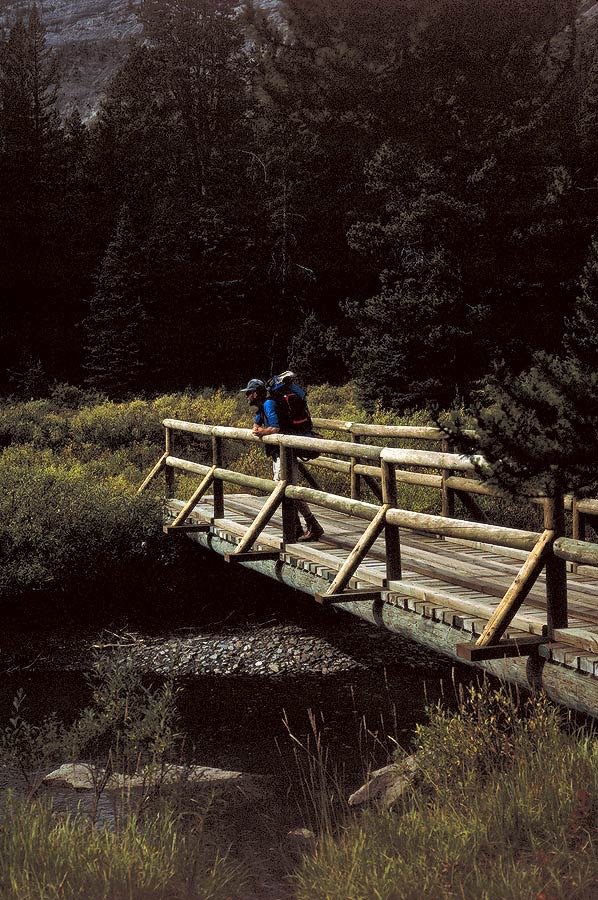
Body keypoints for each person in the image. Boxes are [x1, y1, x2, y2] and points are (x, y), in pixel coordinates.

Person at [240, 377, 324, 542]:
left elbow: (276, 428)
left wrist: (262, 432)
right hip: (277, 453)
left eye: (248, 393)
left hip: (286, 452)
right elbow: (256, 426)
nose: (246, 396)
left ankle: (311, 524)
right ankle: (298, 527)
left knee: (285, 486)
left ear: (256, 394)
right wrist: (259, 429)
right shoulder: (261, 407)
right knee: (283, 487)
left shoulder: (269, 404)